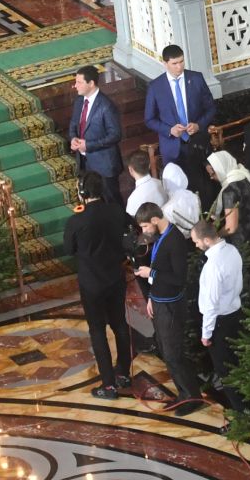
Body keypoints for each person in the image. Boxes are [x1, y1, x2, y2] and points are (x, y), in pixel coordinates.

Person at [61, 173, 131, 398]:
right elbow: (130, 232)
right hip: (116, 277)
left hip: (91, 284)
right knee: (120, 324)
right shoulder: (116, 211)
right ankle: (124, 373)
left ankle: (108, 384)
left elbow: (68, 250)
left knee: (97, 330)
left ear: (82, 192)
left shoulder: (76, 220)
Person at [133, 202, 198, 400]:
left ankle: (191, 396)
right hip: (160, 300)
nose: (144, 232)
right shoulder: (161, 236)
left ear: (154, 220)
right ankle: (183, 393)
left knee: (172, 354)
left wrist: (150, 272)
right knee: (164, 348)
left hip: (171, 305)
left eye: (145, 227)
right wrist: (151, 296)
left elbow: (178, 278)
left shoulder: (174, 239)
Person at [143, 45, 215, 190]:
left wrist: (198, 125)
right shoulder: (155, 87)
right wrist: (169, 130)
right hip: (172, 148)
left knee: (203, 186)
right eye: (174, 63)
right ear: (165, 64)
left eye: (181, 62)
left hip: (197, 143)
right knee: (178, 190)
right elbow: (149, 119)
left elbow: (211, 108)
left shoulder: (196, 79)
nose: (179, 67)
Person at [194, 217, 244, 406]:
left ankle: (238, 412)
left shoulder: (212, 265)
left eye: (196, 241)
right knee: (235, 364)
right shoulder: (232, 250)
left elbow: (211, 304)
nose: (196, 245)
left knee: (226, 371)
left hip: (219, 322)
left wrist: (206, 333)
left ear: (206, 240)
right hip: (234, 314)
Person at [65, 64, 122, 205]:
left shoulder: (106, 106)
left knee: (111, 202)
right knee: (92, 203)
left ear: (91, 83)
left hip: (104, 165)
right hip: (85, 163)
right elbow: (73, 124)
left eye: (79, 82)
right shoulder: (79, 102)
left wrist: (88, 145)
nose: (75, 86)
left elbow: (115, 134)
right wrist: (73, 139)